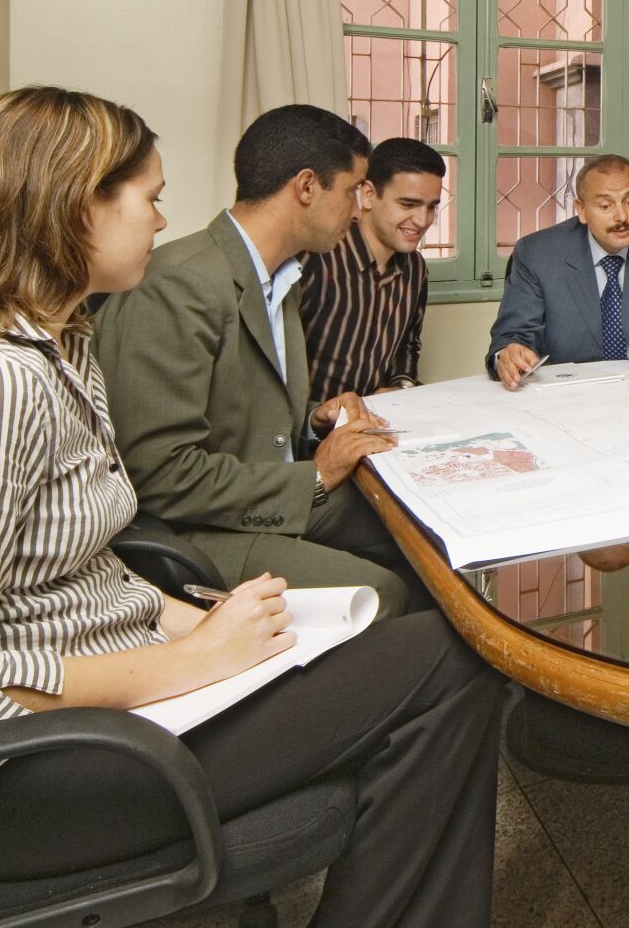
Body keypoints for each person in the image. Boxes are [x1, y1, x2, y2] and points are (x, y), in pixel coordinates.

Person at [0, 88, 501, 925]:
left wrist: (197, 621)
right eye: (149, 197)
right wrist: (191, 661)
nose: (162, 220)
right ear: (74, 205)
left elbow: (81, 568)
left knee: (435, 648)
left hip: (97, 702)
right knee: (452, 661)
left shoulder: (59, 347)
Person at [95, 105, 419, 619]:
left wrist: (313, 420)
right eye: (352, 191)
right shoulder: (178, 285)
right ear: (307, 187)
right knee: (383, 594)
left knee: (419, 528)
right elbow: (159, 474)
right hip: (198, 529)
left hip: (256, 495)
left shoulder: (281, 277)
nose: (359, 211)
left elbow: (241, 411)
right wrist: (317, 475)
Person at [486, 154, 629, 387]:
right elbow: (513, 337)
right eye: (605, 206)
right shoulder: (537, 253)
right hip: (566, 392)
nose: (622, 217)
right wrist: (509, 355)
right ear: (581, 209)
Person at [300, 135, 443, 403]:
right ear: (368, 195)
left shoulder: (415, 268)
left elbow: (407, 346)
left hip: (380, 417)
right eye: (408, 204)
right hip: (313, 422)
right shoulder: (317, 257)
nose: (423, 220)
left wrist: (401, 388)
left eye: (432, 207)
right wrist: (318, 416)